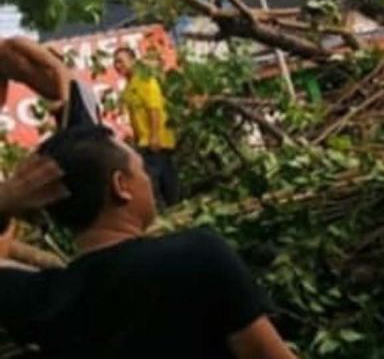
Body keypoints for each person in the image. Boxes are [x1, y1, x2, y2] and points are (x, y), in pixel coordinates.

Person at [0, 125, 296, 359]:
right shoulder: (197, 255)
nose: (149, 179)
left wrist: (5, 201)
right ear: (121, 186)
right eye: (141, 169)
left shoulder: (40, 299)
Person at [113, 47, 179, 207]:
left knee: (153, 179)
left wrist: (155, 135)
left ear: (133, 61)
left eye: (121, 61)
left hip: (156, 139)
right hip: (144, 141)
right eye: (115, 62)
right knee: (165, 176)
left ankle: (168, 209)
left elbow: (154, 109)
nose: (117, 65)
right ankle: (176, 206)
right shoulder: (129, 87)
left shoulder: (145, 80)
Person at [0, 36, 101, 130]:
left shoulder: (17, 44)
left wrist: (64, 102)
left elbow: (59, 69)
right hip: (57, 99)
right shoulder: (2, 66)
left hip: (74, 91)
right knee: (69, 142)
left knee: (86, 137)